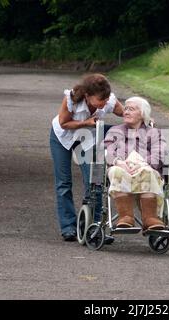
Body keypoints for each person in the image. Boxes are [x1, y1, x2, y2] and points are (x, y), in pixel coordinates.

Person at [50, 74, 124, 241]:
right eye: (100, 100)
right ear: (87, 95)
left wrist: (142, 118)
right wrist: (87, 123)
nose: (104, 103)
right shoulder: (71, 99)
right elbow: (63, 123)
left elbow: (126, 114)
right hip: (62, 138)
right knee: (64, 183)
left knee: (94, 181)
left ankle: (93, 227)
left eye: (106, 100)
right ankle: (68, 227)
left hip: (88, 139)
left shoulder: (108, 100)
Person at [104, 96, 167, 231]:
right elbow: (108, 151)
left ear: (142, 114)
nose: (126, 112)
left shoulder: (155, 133)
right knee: (116, 171)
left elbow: (159, 153)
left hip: (146, 167)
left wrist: (144, 164)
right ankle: (126, 217)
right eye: (125, 109)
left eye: (131, 109)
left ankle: (150, 218)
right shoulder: (115, 131)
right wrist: (118, 162)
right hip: (121, 166)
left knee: (148, 172)